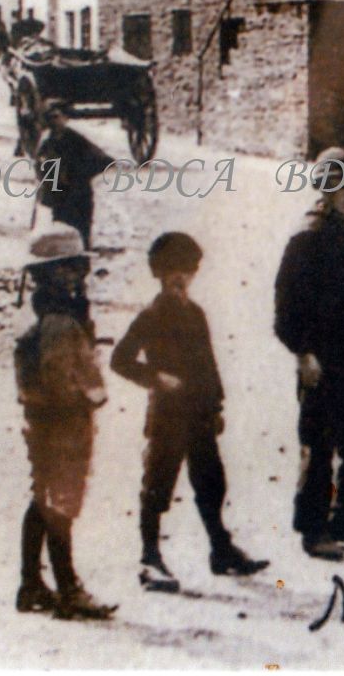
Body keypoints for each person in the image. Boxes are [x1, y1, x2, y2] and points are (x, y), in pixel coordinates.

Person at [111, 232, 268, 591]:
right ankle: (150, 558)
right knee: (157, 485)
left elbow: (209, 365)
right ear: (159, 274)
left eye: (187, 271)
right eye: (172, 272)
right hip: (167, 415)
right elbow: (119, 360)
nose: (180, 278)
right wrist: (156, 377)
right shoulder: (150, 316)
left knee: (211, 482)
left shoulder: (196, 314)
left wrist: (217, 406)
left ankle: (221, 550)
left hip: (199, 414)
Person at [274, 147, 344, 562]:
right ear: (323, 186)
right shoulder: (307, 238)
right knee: (319, 445)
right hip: (321, 361)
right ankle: (314, 530)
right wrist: (303, 353)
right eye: (341, 184)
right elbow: (286, 307)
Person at [14, 228, 116, 621]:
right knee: (61, 502)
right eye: (66, 269)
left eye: (76, 267)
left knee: (43, 499)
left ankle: (31, 584)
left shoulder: (44, 312)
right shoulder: (59, 320)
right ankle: (68, 588)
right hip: (62, 421)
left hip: (42, 419)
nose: (74, 275)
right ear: (48, 274)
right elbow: (57, 376)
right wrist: (87, 399)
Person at [36, 100, 115, 250]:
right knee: (61, 222)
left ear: (65, 118)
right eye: (51, 118)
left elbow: (104, 159)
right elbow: (39, 165)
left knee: (82, 222)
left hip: (78, 191)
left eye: (57, 117)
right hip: (59, 192)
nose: (54, 122)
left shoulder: (75, 139)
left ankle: (84, 247)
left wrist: (82, 174)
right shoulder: (47, 142)